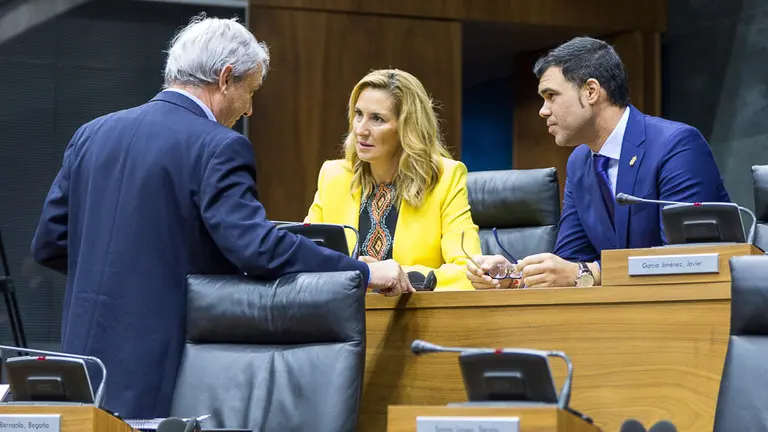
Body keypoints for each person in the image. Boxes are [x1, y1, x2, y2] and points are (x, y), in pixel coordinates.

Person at [30, 15, 413, 419]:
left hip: (80, 370)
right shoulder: (218, 146)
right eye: (251, 91)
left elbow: (50, 244)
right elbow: (257, 248)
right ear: (226, 77)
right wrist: (362, 273)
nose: (249, 108)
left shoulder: (91, 134)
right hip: (165, 368)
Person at [467, 36, 729, 289]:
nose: (543, 110)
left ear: (591, 91)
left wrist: (590, 273)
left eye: (551, 96)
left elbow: (687, 260)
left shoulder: (676, 145)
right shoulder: (580, 162)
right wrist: (515, 276)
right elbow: (571, 260)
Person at [304, 69, 482, 291]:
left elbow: (470, 272)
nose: (361, 130)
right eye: (358, 114)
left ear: (408, 127)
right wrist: (365, 272)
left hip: (414, 316)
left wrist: (396, 274)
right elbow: (305, 259)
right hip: (339, 317)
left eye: (377, 119)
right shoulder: (334, 176)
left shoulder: (444, 177)